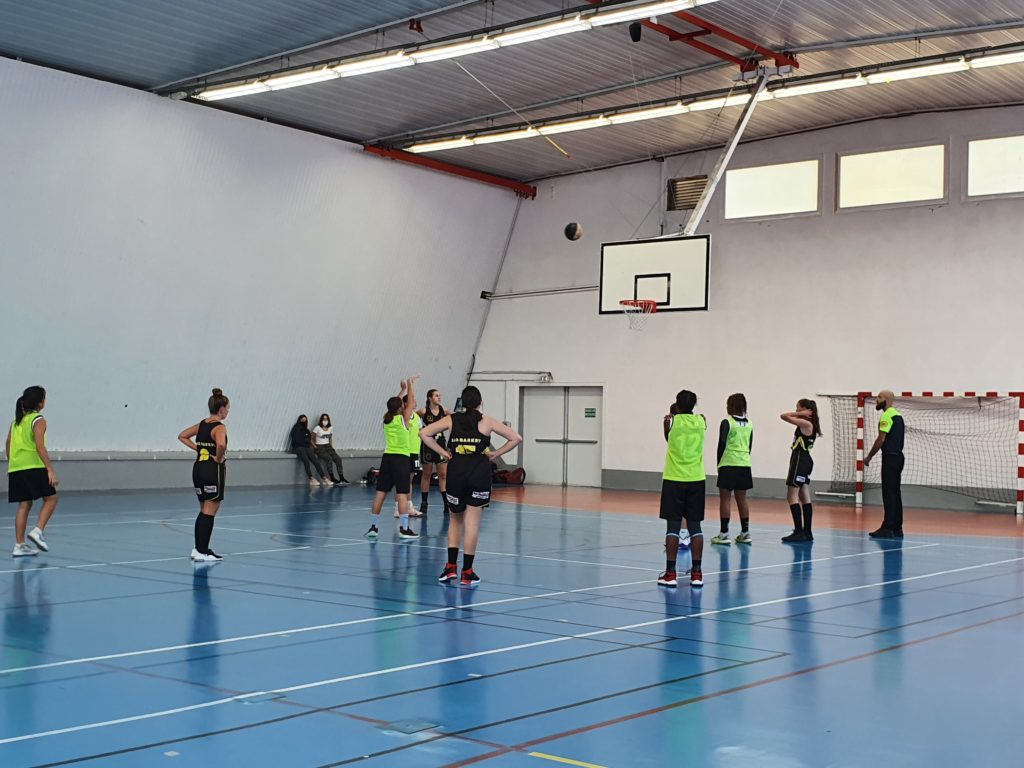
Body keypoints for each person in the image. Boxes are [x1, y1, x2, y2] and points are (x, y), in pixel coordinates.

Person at [421, 385, 522, 586]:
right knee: (472, 523)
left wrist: (443, 452)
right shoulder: (488, 421)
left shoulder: (451, 419)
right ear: (480, 402)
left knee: (455, 521)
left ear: (462, 403)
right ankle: (467, 572)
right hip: (479, 474)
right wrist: (496, 453)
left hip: (456, 472)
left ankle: (450, 568)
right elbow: (516, 438)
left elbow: (424, 433)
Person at [657, 390, 707, 588]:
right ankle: (697, 573)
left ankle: (670, 573)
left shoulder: (670, 421)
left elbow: (668, 439)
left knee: (673, 527)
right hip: (696, 478)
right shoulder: (702, 421)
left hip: (674, 478)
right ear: (694, 405)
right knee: (695, 527)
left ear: (677, 404)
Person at [5, 386, 58, 557]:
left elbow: (8, 444)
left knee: (24, 504)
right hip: (33, 466)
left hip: (16, 467)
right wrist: (49, 469)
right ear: (40, 402)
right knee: (51, 499)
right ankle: (38, 530)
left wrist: (13, 463)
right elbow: (40, 446)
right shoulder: (38, 420)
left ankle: (19, 545)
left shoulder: (16, 422)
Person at [178, 388, 230, 562]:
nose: (228, 412)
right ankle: (202, 551)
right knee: (210, 510)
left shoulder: (201, 425)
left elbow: (182, 436)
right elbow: (221, 445)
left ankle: (199, 548)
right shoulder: (219, 427)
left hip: (198, 469)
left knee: (204, 509)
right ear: (221, 409)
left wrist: (199, 449)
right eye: (227, 408)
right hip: (212, 470)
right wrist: (219, 457)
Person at [367, 378, 419, 540]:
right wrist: (410, 385)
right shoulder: (403, 419)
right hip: (401, 459)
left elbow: (395, 404)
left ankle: (373, 527)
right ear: (401, 407)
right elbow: (411, 402)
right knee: (402, 493)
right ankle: (404, 529)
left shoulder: (387, 420)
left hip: (387, 458)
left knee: (380, 493)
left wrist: (402, 391)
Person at [712, 393, 753, 545]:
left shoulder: (727, 422)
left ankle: (724, 534)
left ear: (730, 406)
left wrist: (719, 463)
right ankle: (745, 532)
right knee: (742, 499)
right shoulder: (749, 424)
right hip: (744, 464)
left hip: (728, 463)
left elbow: (721, 444)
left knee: (725, 499)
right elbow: (749, 445)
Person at [864, 390, 905, 539]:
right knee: (895, 493)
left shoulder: (887, 416)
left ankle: (887, 527)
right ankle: (897, 528)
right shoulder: (898, 416)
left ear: (886, 400)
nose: (876, 400)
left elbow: (881, 439)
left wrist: (869, 456)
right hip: (898, 457)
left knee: (888, 493)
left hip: (890, 458)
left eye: (879, 397)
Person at [780, 399, 822, 543]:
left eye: (798, 407)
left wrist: (799, 414)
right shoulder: (810, 424)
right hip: (805, 461)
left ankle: (799, 531)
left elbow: (783, 416)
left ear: (805, 409)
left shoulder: (806, 423)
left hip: (799, 460)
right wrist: (801, 413)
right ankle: (807, 532)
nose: (796, 410)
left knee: (791, 496)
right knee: (804, 496)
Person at [418, 389, 449, 515]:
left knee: (443, 475)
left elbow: (452, 422)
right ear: (430, 398)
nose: (439, 397)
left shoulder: (444, 410)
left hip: (440, 444)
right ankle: (424, 503)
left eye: (440, 395)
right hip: (428, 446)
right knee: (427, 475)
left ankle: (446, 504)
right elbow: (412, 419)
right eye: (436, 395)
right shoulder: (423, 411)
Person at [291, 415, 329, 486]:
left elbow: (308, 439)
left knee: (315, 461)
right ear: (299, 420)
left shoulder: (306, 430)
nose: (303, 421)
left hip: (306, 447)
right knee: (306, 461)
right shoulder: (295, 428)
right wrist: (304, 441)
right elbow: (296, 439)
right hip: (298, 447)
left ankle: (324, 478)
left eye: (305, 420)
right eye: (302, 420)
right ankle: (311, 478)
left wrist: (306, 442)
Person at [313, 413, 350, 485]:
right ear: (321, 420)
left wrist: (331, 446)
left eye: (326, 419)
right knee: (329, 459)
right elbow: (311, 438)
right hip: (320, 446)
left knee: (338, 459)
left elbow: (330, 438)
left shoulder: (330, 428)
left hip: (328, 446)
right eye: (324, 419)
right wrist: (315, 447)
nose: (325, 420)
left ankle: (341, 477)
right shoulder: (317, 428)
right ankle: (332, 477)